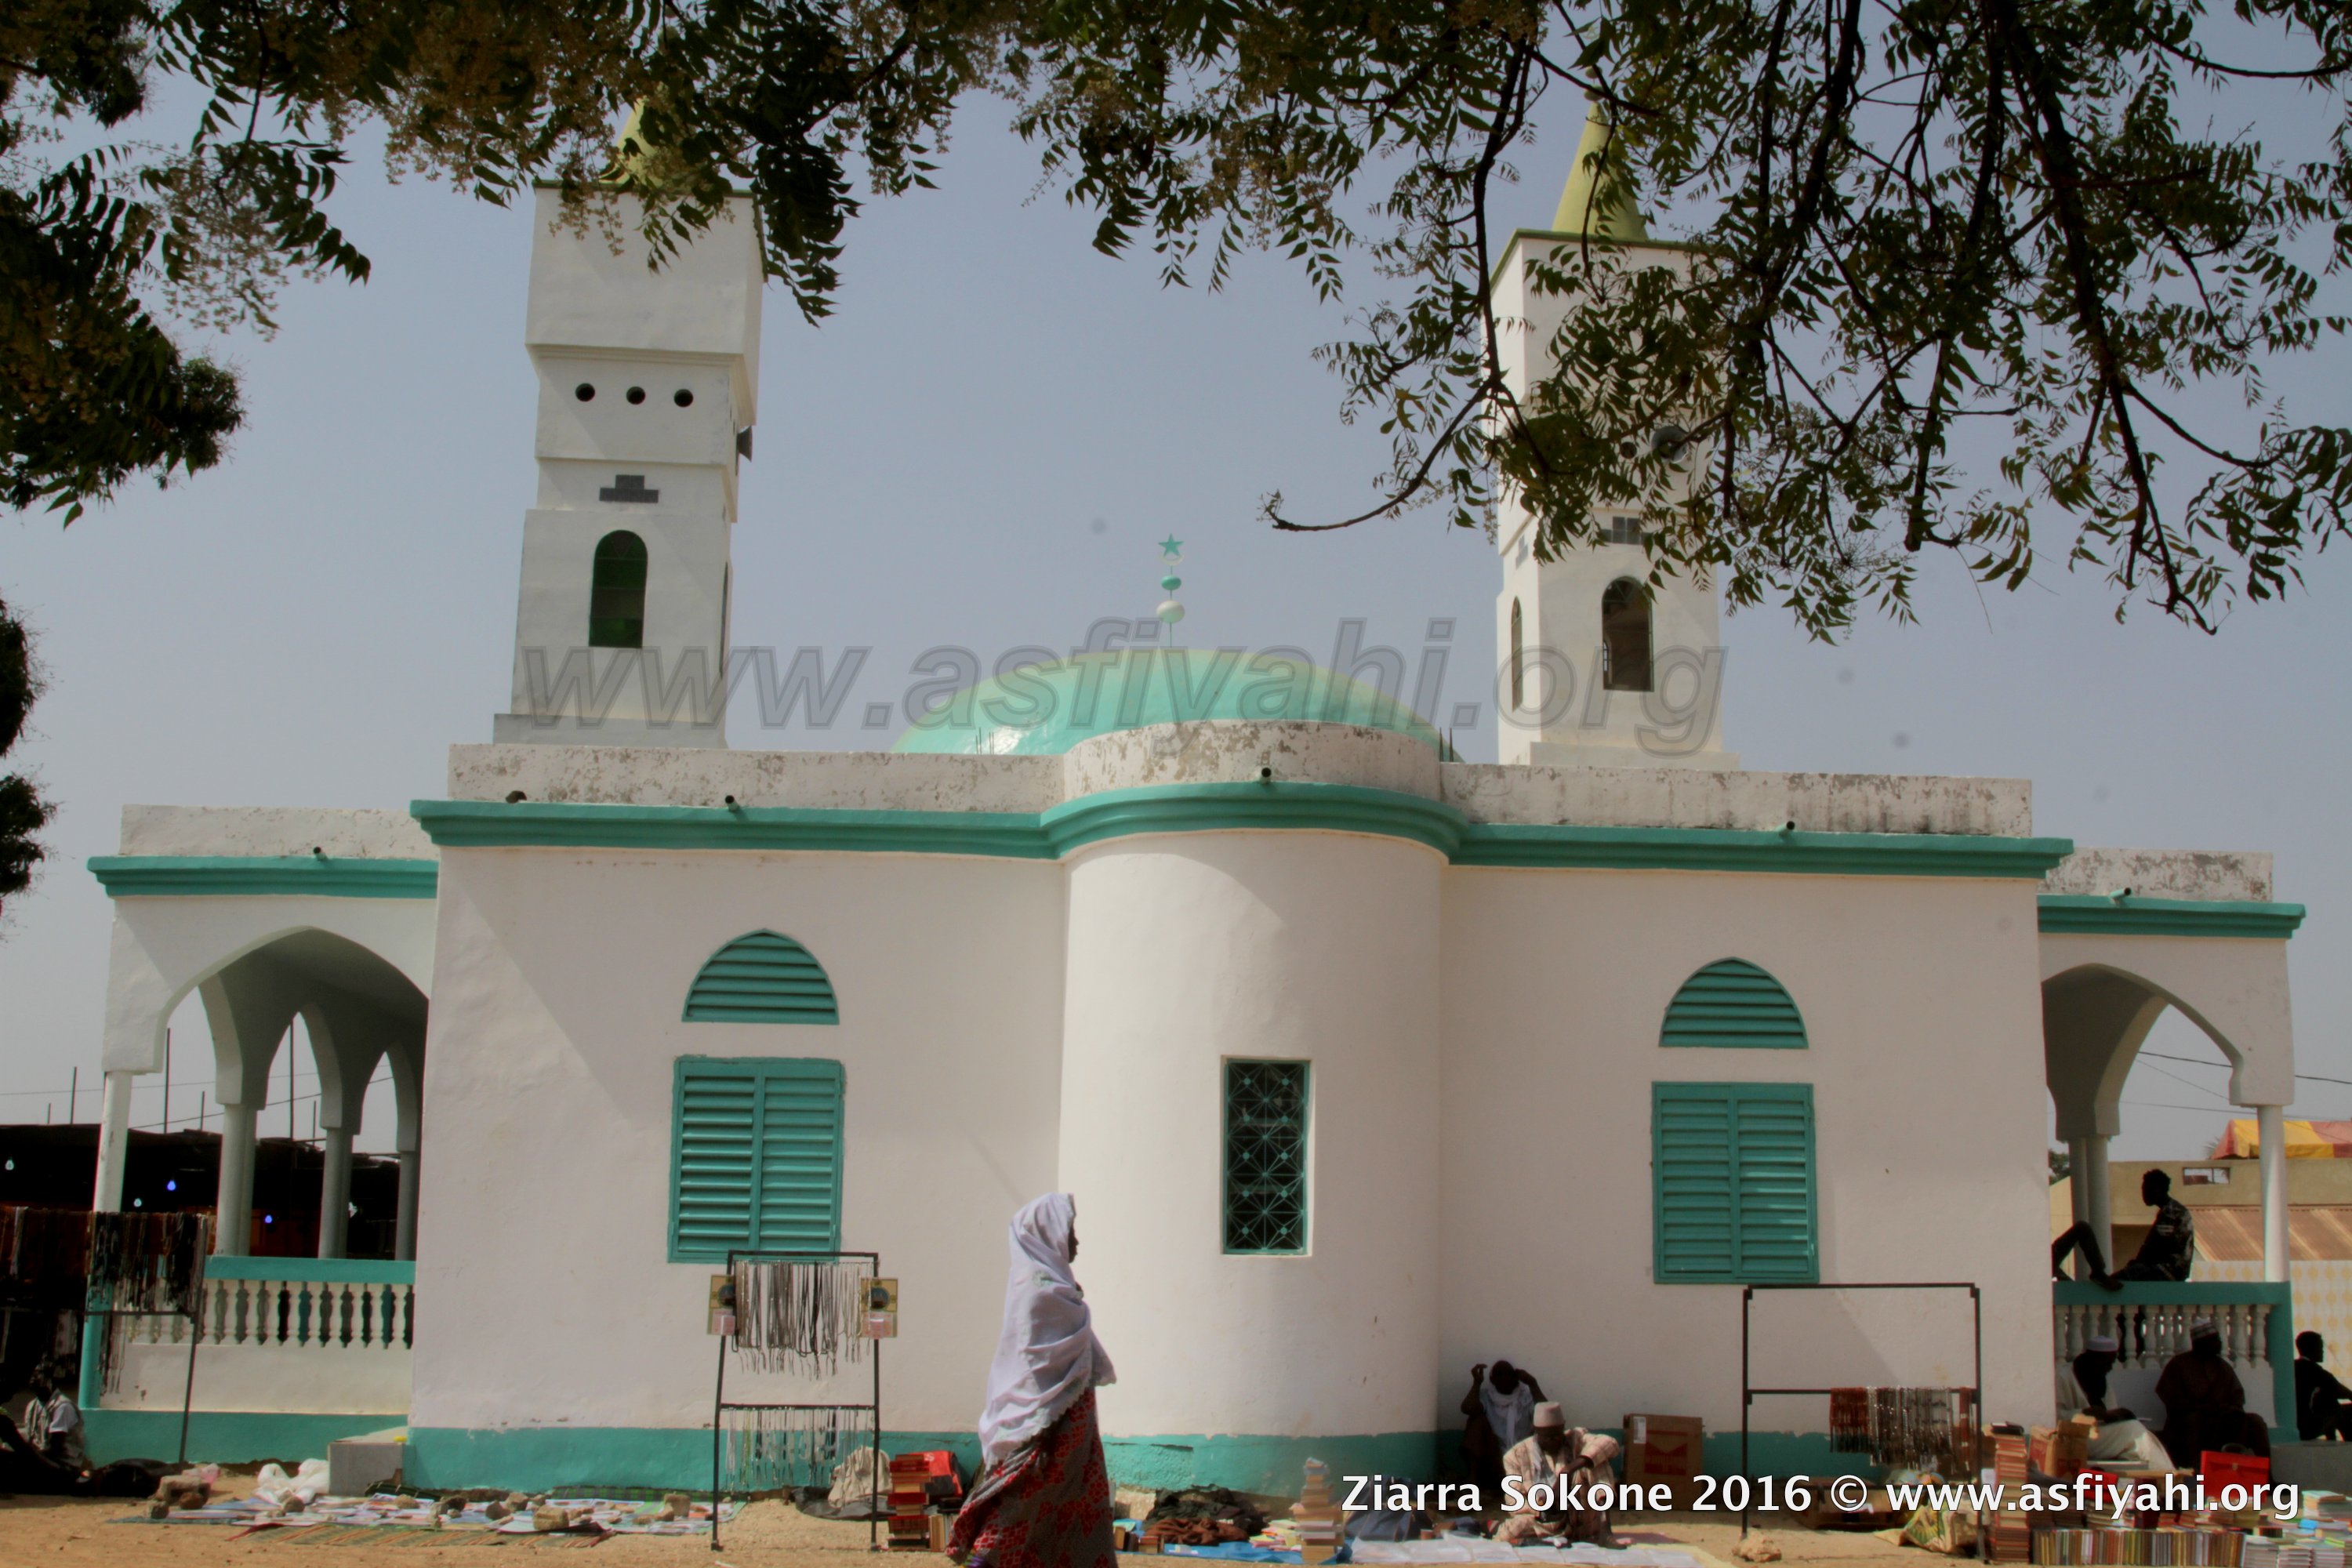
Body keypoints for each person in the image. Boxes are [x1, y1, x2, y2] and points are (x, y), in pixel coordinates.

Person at [948, 1194, 1117, 1568]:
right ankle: (985, 1560)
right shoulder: (1040, 1289)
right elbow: (1037, 1358)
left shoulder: (1053, 1285)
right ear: (1047, 1233)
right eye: (1070, 1231)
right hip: (1043, 1418)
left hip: (1068, 1418)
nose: (1076, 1241)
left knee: (1069, 1505)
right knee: (1023, 1496)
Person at [1494, 1401, 1622, 1548]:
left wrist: (1568, 1470)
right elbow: (1512, 1502)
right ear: (1536, 1431)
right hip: (1544, 1521)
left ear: (1563, 1428)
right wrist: (1543, 1506)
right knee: (1507, 1534)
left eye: (1556, 1435)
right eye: (1547, 1437)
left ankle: (1605, 1532)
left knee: (1596, 1461)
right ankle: (1546, 1540)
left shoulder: (1576, 1438)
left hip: (1580, 1516)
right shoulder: (1515, 1456)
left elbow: (1610, 1443)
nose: (1553, 1441)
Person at [2052, 1171, 2195, 1290]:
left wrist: (2135, 1266)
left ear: (2156, 1190)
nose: (2143, 1194)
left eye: (2146, 1190)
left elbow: (2154, 1249)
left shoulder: (2171, 1212)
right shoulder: (2171, 1210)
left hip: (2165, 1273)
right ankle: (2099, 1275)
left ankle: (2099, 1275)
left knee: (2114, 1285)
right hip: (2168, 1272)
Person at [2155, 1319, 2268, 1465]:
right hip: (2190, 1421)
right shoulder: (2179, 1365)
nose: (2219, 1344)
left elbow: (2237, 1397)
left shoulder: (2222, 1367)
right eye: (2214, 1340)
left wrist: (2228, 1409)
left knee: (2256, 1422)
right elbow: (2172, 1401)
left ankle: (2267, 1476)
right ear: (2200, 1343)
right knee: (2193, 1420)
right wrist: (2203, 1408)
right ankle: (2195, 1476)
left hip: (2222, 1420)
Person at [2054, 1334, 2172, 1470]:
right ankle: (2168, 1477)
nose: (2109, 1368)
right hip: (2074, 1439)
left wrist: (2114, 1416)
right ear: (2093, 1358)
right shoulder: (2063, 1376)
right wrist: (2083, 1413)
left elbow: (2110, 1412)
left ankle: (2166, 1475)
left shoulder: (2100, 1379)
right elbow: (2053, 1418)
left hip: (2099, 1435)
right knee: (2134, 1432)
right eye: (2106, 1362)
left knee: (2138, 1432)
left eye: (2111, 1363)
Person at [1460, 1360, 1548, 1492]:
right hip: (1495, 1459)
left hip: (1522, 1459)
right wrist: (1477, 1383)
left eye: (1509, 1374)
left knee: (1542, 1426)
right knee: (1476, 1420)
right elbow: (1468, 1408)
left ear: (1516, 1378)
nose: (1505, 1379)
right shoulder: (1487, 1396)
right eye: (1499, 1375)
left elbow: (1546, 1414)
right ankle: (1473, 1481)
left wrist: (1532, 1383)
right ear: (1492, 1379)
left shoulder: (1525, 1397)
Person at [2296, 1331, 2352, 1441]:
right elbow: (2342, 1392)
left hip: (2297, 1424)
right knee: (2344, 1409)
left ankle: (2332, 1439)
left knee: (2325, 1397)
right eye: (2320, 1347)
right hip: (2307, 1427)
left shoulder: (2294, 1366)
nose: (2323, 1351)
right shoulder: (2315, 1371)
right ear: (2312, 1349)